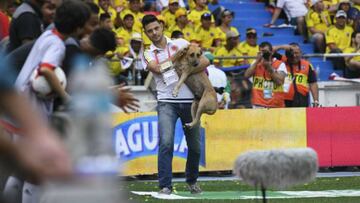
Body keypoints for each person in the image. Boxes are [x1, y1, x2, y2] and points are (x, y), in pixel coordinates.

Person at [4, 2, 91, 203]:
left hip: (20, 107)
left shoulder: (47, 35)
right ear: (78, 27)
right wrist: (66, 96)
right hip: (31, 111)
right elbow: (46, 69)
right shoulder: (57, 44)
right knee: (36, 175)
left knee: (20, 171)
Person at [141, 14, 209, 195]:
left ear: (162, 26)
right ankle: (165, 185)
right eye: (150, 31)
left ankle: (192, 181)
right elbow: (156, 69)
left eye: (156, 28)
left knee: (195, 146)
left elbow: (204, 61)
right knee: (166, 143)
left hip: (190, 102)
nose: (154, 33)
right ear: (146, 33)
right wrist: (175, 59)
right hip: (166, 102)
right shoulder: (147, 53)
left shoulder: (181, 43)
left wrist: (187, 68)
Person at [274, 43, 319, 107]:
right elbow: (269, 51)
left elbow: (313, 83)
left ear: (301, 53)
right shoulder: (282, 61)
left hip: (302, 100)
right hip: (283, 100)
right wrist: (282, 47)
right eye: (292, 53)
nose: (294, 55)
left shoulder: (307, 65)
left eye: (296, 53)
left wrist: (316, 101)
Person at [244, 41, 287, 108]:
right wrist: (257, 61)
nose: (264, 54)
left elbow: (280, 82)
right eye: (262, 52)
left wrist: (269, 68)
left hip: (275, 104)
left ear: (272, 52)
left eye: (265, 52)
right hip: (258, 103)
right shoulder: (256, 63)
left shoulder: (280, 64)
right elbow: (246, 76)